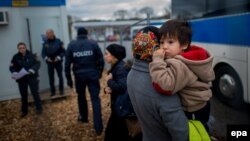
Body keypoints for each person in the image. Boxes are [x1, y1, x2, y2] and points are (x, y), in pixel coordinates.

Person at [149, 19, 215, 131]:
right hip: (201, 105)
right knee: (203, 127)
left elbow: (164, 86)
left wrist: (158, 59)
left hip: (193, 110)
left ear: (184, 45)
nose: (164, 47)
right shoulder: (188, 58)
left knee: (194, 134)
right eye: (161, 42)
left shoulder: (181, 65)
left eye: (170, 42)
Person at [127, 26, 188, 141]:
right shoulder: (160, 85)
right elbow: (182, 133)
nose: (166, 46)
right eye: (162, 42)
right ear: (156, 49)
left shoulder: (131, 74)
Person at [65, 27, 104, 135]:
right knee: (95, 99)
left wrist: (69, 79)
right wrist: (99, 72)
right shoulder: (93, 43)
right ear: (86, 34)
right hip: (92, 74)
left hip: (79, 76)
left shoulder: (72, 45)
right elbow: (100, 59)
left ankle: (84, 117)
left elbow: (67, 64)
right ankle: (98, 126)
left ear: (77, 34)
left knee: (81, 97)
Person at [103, 44, 142, 141]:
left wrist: (109, 81)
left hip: (122, 109)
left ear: (114, 55)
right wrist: (107, 89)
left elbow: (122, 87)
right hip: (119, 107)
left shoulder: (121, 68)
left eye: (107, 53)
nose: (105, 56)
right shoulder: (117, 66)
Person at [9, 42, 43, 117]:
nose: (22, 49)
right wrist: (14, 72)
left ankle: (39, 108)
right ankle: (24, 111)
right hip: (22, 79)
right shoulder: (15, 57)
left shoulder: (32, 55)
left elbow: (37, 63)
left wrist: (32, 70)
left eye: (23, 48)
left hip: (32, 77)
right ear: (18, 49)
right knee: (23, 95)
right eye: (20, 48)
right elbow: (11, 67)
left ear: (25, 47)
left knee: (35, 93)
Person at [41, 29, 65, 97]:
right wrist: (47, 58)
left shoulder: (59, 41)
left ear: (52, 33)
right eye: (46, 34)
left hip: (58, 62)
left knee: (60, 76)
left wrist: (58, 57)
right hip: (50, 62)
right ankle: (53, 92)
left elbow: (63, 52)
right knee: (51, 78)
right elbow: (43, 53)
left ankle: (61, 90)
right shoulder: (45, 43)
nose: (47, 35)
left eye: (48, 34)